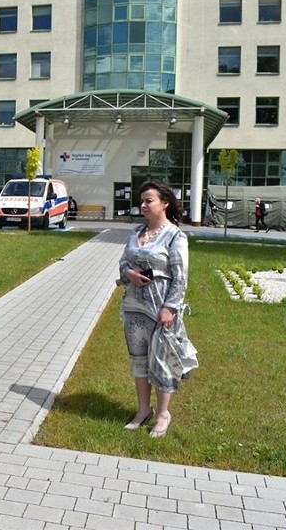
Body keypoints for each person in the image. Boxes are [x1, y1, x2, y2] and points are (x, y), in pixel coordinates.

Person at [116, 179, 198, 439]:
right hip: (134, 307)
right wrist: (129, 272)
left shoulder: (175, 235)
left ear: (164, 203)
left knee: (162, 361)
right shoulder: (135, 232)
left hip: (160, 308)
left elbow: (180, 276)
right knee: (138, 359)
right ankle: (143, 410)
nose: (143, 205)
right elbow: (122, 262)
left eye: (148, 200)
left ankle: (163, 414)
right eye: (141, 201)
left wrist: (170, 309)